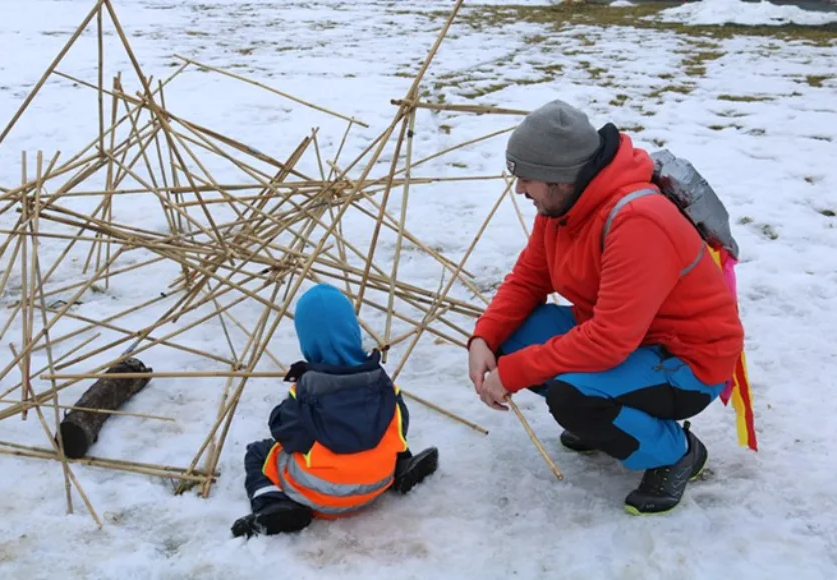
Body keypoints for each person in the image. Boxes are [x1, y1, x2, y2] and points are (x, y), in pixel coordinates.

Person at [467, 99, 744, 515]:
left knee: (573, 398)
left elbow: (609, 341)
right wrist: (485, 337)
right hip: (628, 339)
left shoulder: (637, 221)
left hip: (687, 360)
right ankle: (610, 421)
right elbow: (528, 279)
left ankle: (676, 452)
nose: (520, 189)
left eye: (525, 178)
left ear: (560, 178)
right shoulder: (562, 207)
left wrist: (514, 372)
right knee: (513, 338)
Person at [231, 283, 439, 537]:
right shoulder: (384, 384)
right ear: (353, 330)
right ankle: (401, 467)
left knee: (259, 452)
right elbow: (402, 425)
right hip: (377, 483)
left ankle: (272, 504)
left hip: (321, 496)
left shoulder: (306, 394)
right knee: (390, 429)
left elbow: (283, 432)